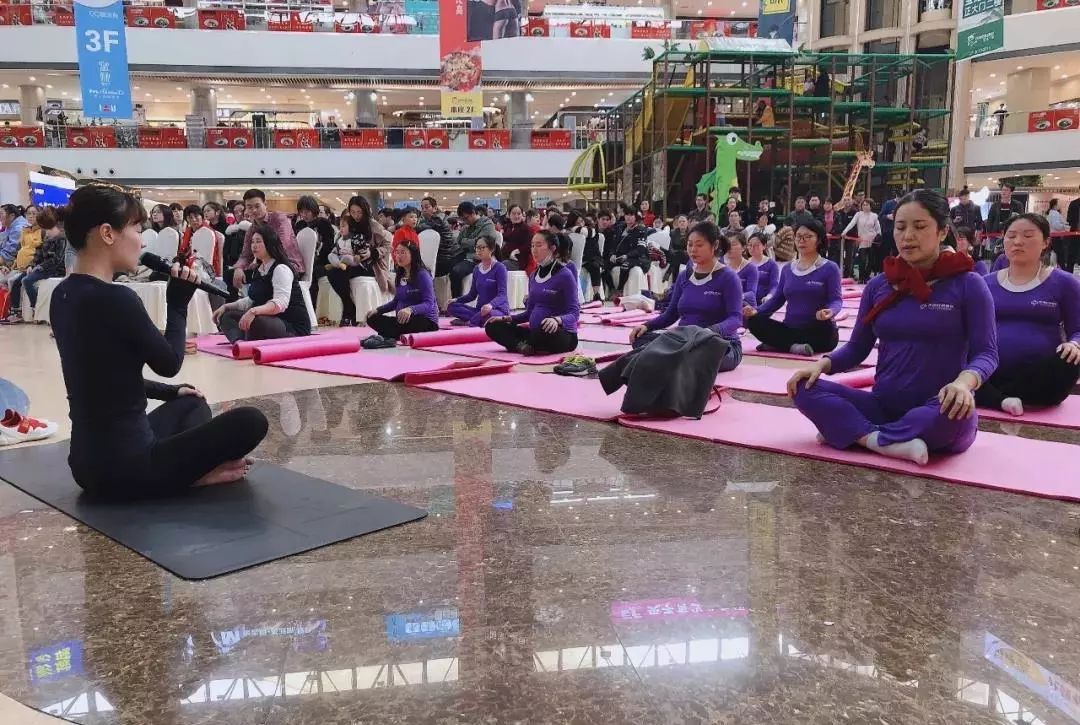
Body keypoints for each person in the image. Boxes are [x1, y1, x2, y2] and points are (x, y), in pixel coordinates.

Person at [51, 185, 268, 498]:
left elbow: (105, 379)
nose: (141, 239)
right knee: (251, 421)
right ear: (108, 234)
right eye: (137, 229)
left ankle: (181, 468)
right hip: (130, 466)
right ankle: (191, 476)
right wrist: (178, 304)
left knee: (190, 402)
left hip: (86, 466)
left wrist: (171, 392)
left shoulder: (63, 294)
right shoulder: (117, 298)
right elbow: (169, 363)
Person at [788, 189, 998, 466]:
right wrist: (821, 365)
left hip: (938, 407)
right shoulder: (879, 286)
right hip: (882, 405)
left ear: (942, 230)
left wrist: (962, 384)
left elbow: (987, 353)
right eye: (900, 227)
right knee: (804, 387)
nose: (907, 236)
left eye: (919, 226)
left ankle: (853, 433)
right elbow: (856, 348)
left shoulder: (968, 284)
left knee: (955, 414)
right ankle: (879, 440)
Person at [977, 213, 1080, 416]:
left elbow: (1078, 329)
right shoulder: (984, 283)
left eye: (1028, 236)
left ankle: (994, 397)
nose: (1018, 242)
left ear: (1046, 242)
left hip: (1039, 375)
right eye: (1011, 235)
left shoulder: (1064, 283)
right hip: (991, 371)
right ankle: (1000, 399)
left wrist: (1074, 344)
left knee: (1070, 360)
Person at [629, 221, 743, 371]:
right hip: (684, 340)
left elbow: (735, 319)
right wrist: (646, 326)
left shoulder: (728, 277)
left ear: (714, 245)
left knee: (696, 355)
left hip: (719, 344)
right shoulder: (684, 276)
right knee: (641, 340)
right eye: (690, 245)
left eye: (699, 245)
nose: (693, 250)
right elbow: (670, 315)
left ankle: (667, 357)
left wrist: (709, 331)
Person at [744, 219, 842, 357]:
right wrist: (756, 311)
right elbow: (777, 300)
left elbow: (836, 300)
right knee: (754, 321)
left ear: (819, 240)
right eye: (798, 236)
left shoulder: (830, 268)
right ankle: (792, 347)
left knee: (825, 332)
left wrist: (830, 311)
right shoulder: (788, 269)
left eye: (807, 236)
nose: (802, 240)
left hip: (818, 331)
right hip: (790, 329)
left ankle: (779, 345)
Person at [213, 223, 312, 343]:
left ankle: (246, 339)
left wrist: (253, 311)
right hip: (269, 319)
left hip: (290, 325)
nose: (254, 245)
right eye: (252, 242)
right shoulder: (258, 270)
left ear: (269, 243)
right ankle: (239, 343)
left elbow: (280, 303)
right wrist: (226, 306)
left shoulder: (281, 269)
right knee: (226, 316)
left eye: (258, 241)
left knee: (256, 321)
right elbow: (251, 300)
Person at [485, 230, 579, 356]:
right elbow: (529, 314)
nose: (534, 249)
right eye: (532, 245)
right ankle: (522, 346)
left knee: (542, 331)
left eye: (539, 245)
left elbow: (574, 312)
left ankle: (525, 344)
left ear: (552, 248)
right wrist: (507, 318)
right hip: (534, 332)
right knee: (493, 325)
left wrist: (557, 320)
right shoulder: (534, 275)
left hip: (560, 333)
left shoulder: (565, 275)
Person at [327, 197, 389, 327]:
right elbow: (341, 242)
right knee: (333, 273)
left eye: (359, 212)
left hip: (369, 265)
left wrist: (373, 252)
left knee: (342, 273)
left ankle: (348, 312)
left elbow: (387, 245)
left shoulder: (373, 225)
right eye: (353, 212)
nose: (356, 215)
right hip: (350, 262)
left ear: (365, 211)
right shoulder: (349, 223)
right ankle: (349, 306)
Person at [365, 241, 438, 343]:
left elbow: (429, 304)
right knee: (372, 318)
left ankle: (387, 335)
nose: (399, 256)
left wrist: (410, 310)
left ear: (413, 254)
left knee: (405, 324)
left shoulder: (422, 274)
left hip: (425, 321)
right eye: (397, 252)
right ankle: (391, 334)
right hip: (403, 321)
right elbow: (396, 302)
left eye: (403, 252)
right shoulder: (400, 275)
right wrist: (378, 310)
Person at [232, 189, 305, 291]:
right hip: (266, 267)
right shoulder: (252, 229)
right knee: (231, 275)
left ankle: (257, 304)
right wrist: (239, 268)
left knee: (259, 282)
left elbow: (282, 246)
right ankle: (235, 305)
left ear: (265, 204)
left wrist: (260, 263)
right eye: (249, 207)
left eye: (257, 206)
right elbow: (245, 255)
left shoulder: (278, 219)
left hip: (289, 266)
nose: (253, 210)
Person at [6, 207, 66, 323]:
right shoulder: (47, 236)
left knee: (27, 280)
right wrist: (32, 265)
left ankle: (36, 307)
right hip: (41, 267)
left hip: (53, 269)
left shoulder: (61, 239)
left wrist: (40, 267)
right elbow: (39, 254)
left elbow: (57, 260)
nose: (46, 232)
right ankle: (18, 310)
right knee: (18, 280)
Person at [447, 234, 508, 326]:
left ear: (491, 249)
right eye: (477, 247)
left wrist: (491, 305)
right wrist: (456, 300)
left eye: (482, 247)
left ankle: (469, 322)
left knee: (489, 314)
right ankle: (477, 320)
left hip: (496, 310)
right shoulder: (476, 269)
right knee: (452, 307)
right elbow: (472, 295)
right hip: (480, 310)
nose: (478, 250)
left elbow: (502, 295)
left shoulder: (500, 268)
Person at [293, 195, 336, 310]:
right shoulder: (299, 225)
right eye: (301, 212)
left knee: (315, 284)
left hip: (320, 262)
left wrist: (318, 249)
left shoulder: (324, 224)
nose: (304, 215)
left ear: (313, 210)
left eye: (307, 211)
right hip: (303, 263)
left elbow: (329, 245)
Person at [452, 201, 495, 297]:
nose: (465, 221)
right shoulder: (467, 227)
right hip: (466, 255)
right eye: (463, 219)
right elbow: (458, 241)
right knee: (447, 265)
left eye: (466, 218)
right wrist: (471, 242)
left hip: (478, 258)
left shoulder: (487, 224)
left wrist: (465, 241)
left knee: (456, 271)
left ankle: (457, 301)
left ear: (473, 213)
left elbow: (481, 244)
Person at [604, 209, 652, 294]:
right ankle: (612, 289)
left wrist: (627, 256)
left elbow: (641, 249)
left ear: (635, 217)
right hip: (619, 257)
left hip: (636, 258)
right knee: (604, 266)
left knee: (625, 266)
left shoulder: (641, 230)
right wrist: (612, 254)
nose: (628, 217)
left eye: (631, 215)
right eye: (627, 215)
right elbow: (613, 245)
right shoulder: (620, 228)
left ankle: (620, 290)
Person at [842, 199, 882, 282]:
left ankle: (866, 276)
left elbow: (878, 229)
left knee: (870, 260)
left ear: (871, 206)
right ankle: (861, 277)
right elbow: (852, 223)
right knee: (862, 259)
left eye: (867, 205)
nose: (865, 206)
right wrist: (845, 231)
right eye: (863, 205)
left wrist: (879, 237)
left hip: (872, 240)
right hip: (862, 240)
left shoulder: (874, 216)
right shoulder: (858, 214)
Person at [418, 196, 458, 281]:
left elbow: (421, 228)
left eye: (427, 207)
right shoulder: (432, 219)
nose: (424, 210)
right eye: (422, 207)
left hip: (443, 258)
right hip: (441, 256)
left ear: (435, 208)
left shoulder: (438, 219)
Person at [724, 231, 758, 307]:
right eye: (727, 244)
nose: (729, 247)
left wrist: (736, 296)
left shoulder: (751, 268)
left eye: (733, 244)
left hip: (746, 309)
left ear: (743, 247)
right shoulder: (722, 268)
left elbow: (751, 293)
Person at [500, 203, 536, 274]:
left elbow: (530, 245)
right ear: (509, 215)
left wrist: (517, 251)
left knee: (501, 266)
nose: (516, 216)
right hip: (506, 257)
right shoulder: (508, 227)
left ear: (522, 215)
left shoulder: (526, 229)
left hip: (518, 260)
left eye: (519, 213)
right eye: (513, 213)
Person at [580, 213, 606, 302]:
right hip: (581, 259)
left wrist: (583, 259)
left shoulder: (594, 234)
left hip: (592, 259)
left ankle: (596, 294)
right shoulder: (576, 232)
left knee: (594, 266)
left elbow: (593, 251)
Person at [748, 232, 779, 305]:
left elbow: (774, 285)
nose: (752, 248)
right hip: (746, 303)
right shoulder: (744, 263)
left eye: (756, 245)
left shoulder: (772, 264)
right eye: (750, 245)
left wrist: (769, 296)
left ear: (764, 246)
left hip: (763, 303)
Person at [1046, 198, 1073, 274]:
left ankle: (1059, 269)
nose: (1060, 205)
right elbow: (1056, 225)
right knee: (1060, 254)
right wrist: (1065, 227)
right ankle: (1063, 271)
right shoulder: (1054, 213)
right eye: (1059, 203)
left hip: (1053, 236)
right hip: (1056, 236)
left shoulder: (1052, 213)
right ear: (1055, 205)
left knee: (1056, 254)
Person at [664, 214, 690, 284]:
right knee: (678, 255)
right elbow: (670, 246)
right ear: (677, 223)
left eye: (683, 221)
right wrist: (673, 252)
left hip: (687, 256)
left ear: (687, 223)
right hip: (674, 255)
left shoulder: (691, 233)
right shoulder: (673, 233)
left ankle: (669, 273)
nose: (682, 223)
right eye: (680, 222)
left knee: (681, 254)